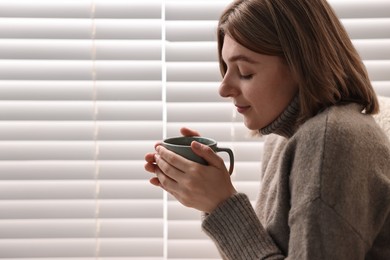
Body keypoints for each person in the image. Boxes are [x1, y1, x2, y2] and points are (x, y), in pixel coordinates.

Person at [144, 0, 390, 259]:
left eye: (245, 72)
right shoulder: (284, 140)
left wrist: (222, 205)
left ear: (302, 64)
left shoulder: (331, 140)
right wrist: (212, 197)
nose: (223, 88)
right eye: (226, 68)